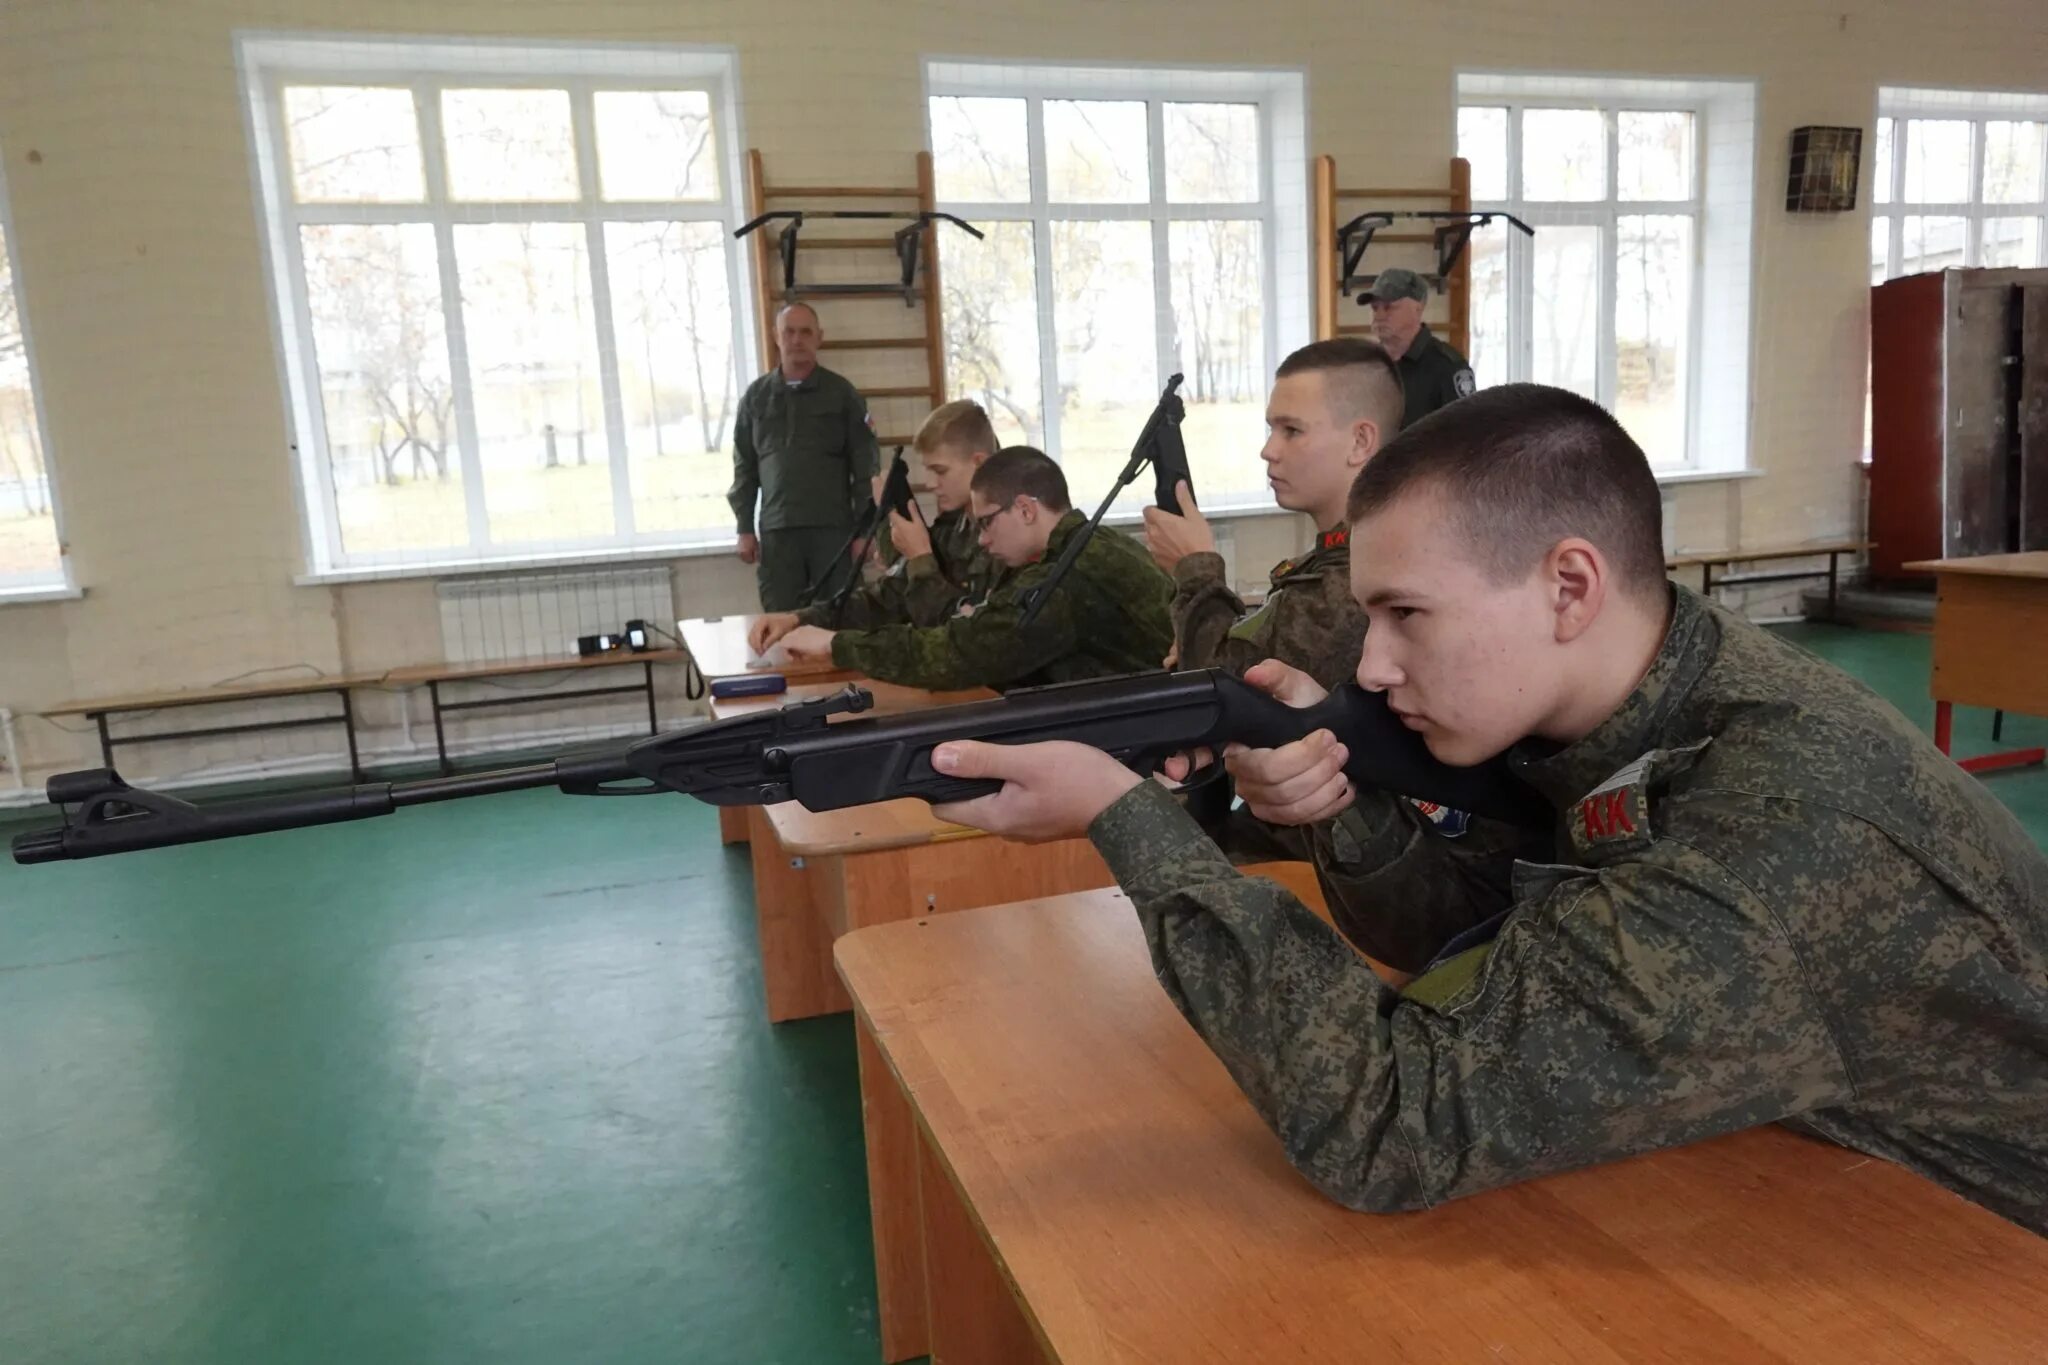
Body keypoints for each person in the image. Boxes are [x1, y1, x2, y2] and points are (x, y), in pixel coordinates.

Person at [921, 384, 2048, 1236]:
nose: (1370, 667)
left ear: (1568, 586)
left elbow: (1391, 1124)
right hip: (1821, 1168)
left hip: (1976, 1258)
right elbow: (1478, 941)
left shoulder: (1785, 825)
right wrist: (1342, 802)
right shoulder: (1645, 691)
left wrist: (1131, 821)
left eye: (1407, 614)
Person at [778, 446, 1173, 690]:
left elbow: (961, 651)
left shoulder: (1068, 574)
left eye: (987, 522)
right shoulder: (1083, 547)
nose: (982, 539)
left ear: (1025, 509)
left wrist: (836, 645)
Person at [749, 400, 1002, 654]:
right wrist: (798, 619)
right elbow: (884, 602)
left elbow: (964, 638)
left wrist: (920, 558)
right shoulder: (953, 529)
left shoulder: (1010, 538)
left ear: (978, 463)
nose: (929, 483)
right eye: (927, 470)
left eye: (940, 471)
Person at [727, 303, 880, 611]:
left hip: (833, 534)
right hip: (778, 534)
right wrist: (744, 527)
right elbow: (745, 468)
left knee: (839, 621)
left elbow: (866, 468)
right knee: (781, 624)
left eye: (805, 332)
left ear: (819, 337)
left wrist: (865, 532)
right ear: (776, 336)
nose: (797, 340)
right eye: (789, 332)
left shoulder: (842, 395)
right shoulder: (756, 398)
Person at [1362, 267, 1476, 427]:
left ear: (1418, 308)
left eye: (1389, 307)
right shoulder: (1367, 364)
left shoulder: (1448, 367)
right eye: (1375, 308)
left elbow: (1466, 432)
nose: (1379, 316)